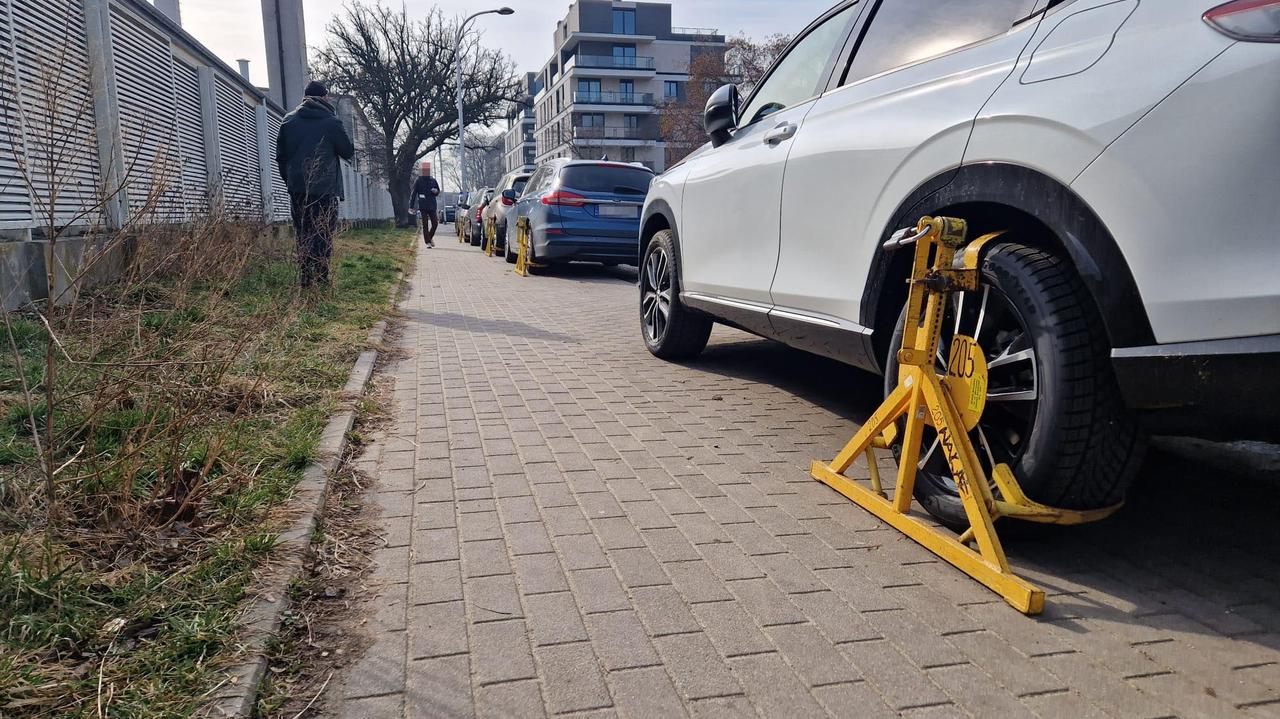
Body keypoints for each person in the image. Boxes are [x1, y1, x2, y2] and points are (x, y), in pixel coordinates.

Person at [276, 80, 355, 288]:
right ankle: (321, 279)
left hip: (298, 189)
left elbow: (281, 157)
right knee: (323, 233)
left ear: (304, 97)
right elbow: (347, 151)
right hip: (325, 188)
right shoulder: (331, 121)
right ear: (325, 97)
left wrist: (291, 182)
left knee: (303, 232)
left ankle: (305, 279)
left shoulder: (288, 120)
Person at [412, 162, 441, 247]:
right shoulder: (418, 181)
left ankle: (429, 237)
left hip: (432, 205)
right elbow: (413, 194)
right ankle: (427, 242)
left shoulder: (433, 180)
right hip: (423, 205)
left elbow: (438, 190)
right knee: (425, 224)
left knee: (435, 223)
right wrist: (411, 206)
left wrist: (436, 192)